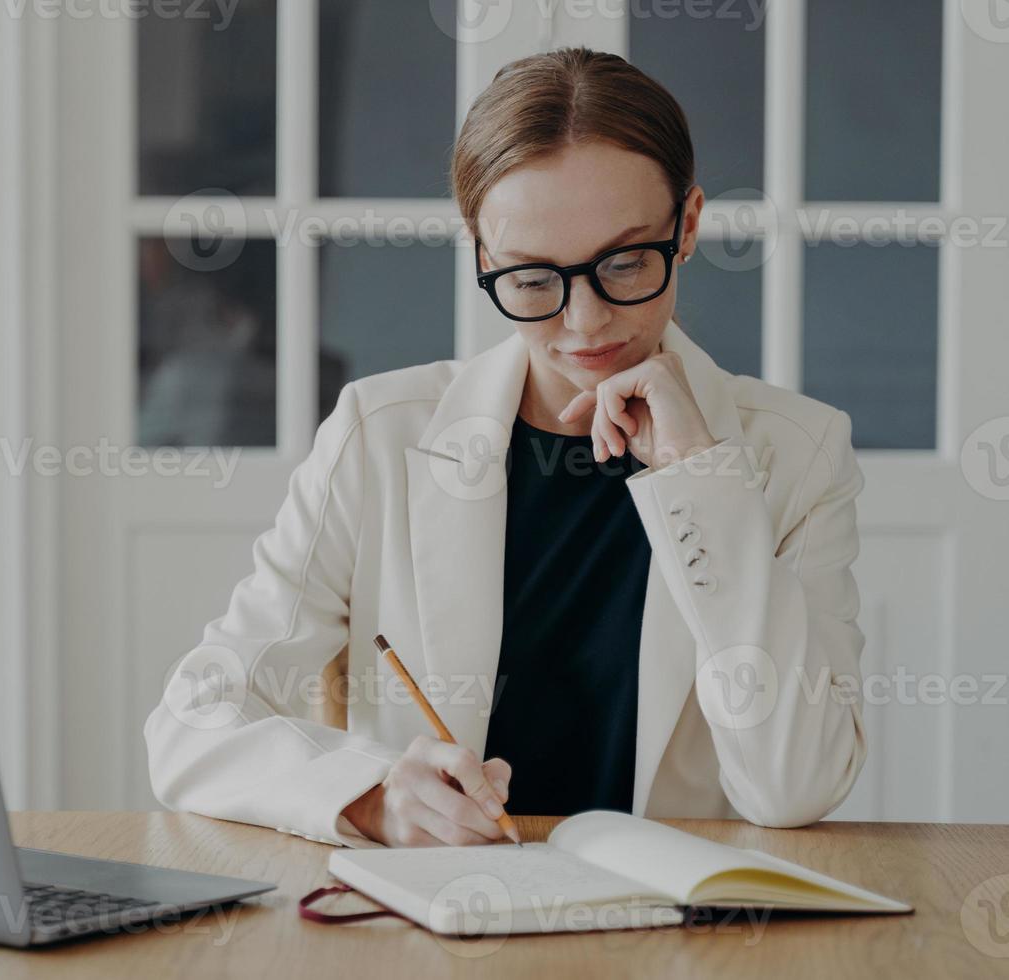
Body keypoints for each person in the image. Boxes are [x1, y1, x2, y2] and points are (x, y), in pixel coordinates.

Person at [145, 47, 867, 847]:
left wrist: (703, 482)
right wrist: (373, 795)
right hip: (444, 927)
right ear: (482, 254)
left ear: (688, 226)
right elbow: (192, 724)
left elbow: (794, 787)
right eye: (530, 278)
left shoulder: (798, 454)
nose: (586, 322)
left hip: (677, 940)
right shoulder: (380, 435)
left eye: (626, 262)